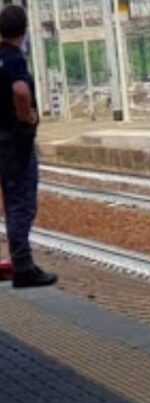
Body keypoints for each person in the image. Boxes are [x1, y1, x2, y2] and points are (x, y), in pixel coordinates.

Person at [0, 5, 56, 288]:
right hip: (15, 142)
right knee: (20, 203)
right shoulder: (14, 59)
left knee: (10, 202)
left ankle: (18, 262)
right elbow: (20, 91)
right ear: (23, 31)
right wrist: (27, 117)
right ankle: (23, 267)